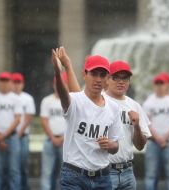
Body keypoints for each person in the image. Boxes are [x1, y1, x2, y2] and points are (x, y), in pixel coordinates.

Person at [51, 47, 123, 190]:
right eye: (94, 74)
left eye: (102, 75)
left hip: (103, 177)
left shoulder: (114, 108)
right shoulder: (75, 100)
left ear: (108, 79)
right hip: (74, 175)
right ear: (85, 75)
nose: (98, 79)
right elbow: (64, 96)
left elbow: (116, 146)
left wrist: (110, 144)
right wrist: (58, 74)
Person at [104, 61, 151, 190]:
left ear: (129, 81)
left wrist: (137, 126)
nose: (121, 82)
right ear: (107, 79)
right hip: (104, 171)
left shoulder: (134, 105)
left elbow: (140, 146)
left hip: (128, 172)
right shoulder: (99, 101)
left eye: (125, 78)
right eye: (116, 77)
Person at [143, 72, 169, 190]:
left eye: (162, 83)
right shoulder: (149, 101)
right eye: (157, 83)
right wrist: (158, 138)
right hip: (153, 143)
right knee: (151, 176)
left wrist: (164, 138)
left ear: (168, 84)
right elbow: (147, 123)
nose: (159, 86)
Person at [0, 72, 22, 190]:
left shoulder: (16, 99)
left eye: (6, 80)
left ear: (10, 82)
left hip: (11, 137)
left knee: (14, 170)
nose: (4, 83)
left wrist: (3, 136)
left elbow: (17, 119)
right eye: (1, 80)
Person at [40, 73, 68, 190]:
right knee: (47, 174)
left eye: (62, 83)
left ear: (66, 84)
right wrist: (52, 137)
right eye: (57, 83)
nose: (59, 85)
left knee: (65, 175)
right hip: (50, 140)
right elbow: (44, 120)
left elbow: (74, 124)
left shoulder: (71, 100)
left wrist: (62, 138)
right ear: (54, 84)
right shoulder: (47, 100)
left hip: (66, 142)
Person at [12, 73, 36, 190]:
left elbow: (28, 117)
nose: (16, 85)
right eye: (14, 82)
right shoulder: (8, 97)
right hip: (10, 136)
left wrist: (19, 133)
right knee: (11, 167)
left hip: (22, 136)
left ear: (22, 84)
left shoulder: (27, 98)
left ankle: (24, 187)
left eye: (18, 83)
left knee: (22, 166)